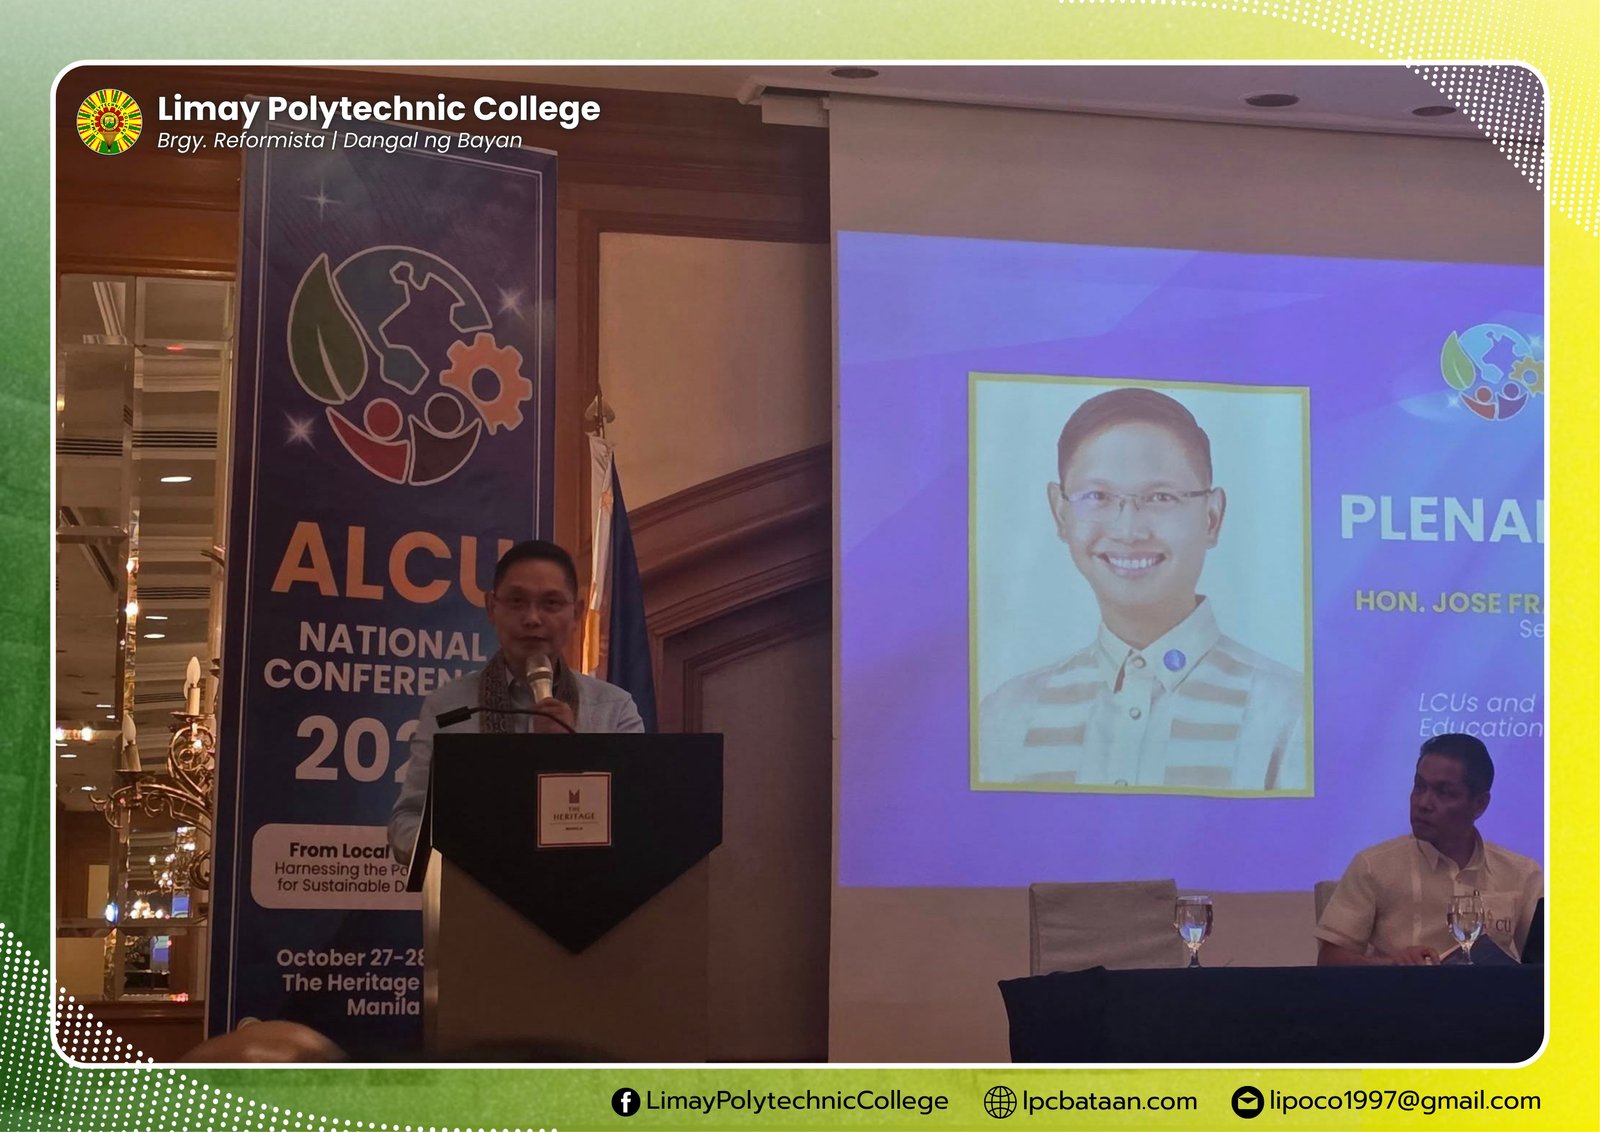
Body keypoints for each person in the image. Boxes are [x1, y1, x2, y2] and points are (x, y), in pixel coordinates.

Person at [978, 386, 1305, 791]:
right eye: (1098, 496)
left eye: (1160, 497)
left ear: (1212, 517)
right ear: (1060, 513)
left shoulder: (1288, 714)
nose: (1128, 530)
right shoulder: (1008, 715)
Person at [388, 539, 644, 864]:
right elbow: (406, 821)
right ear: (491, 607)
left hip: (584, 887)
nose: (532, 618)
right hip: (476, 886)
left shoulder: (614, 709)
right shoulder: (448, 707)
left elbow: (635, 818)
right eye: (517, 601)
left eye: (551, 603)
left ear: (577, 612)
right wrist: (471, 856)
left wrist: (572, 753)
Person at [1316, 733, 1542, 966]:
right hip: (1403, 989)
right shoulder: (1373, 866)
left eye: (1443, 792)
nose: (1423, 803)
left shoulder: (1522, 873)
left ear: (1479, 804)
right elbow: (1329, 961)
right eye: (1419, 786)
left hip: (1491, 990)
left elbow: (1548, 963)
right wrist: (1392, 964)